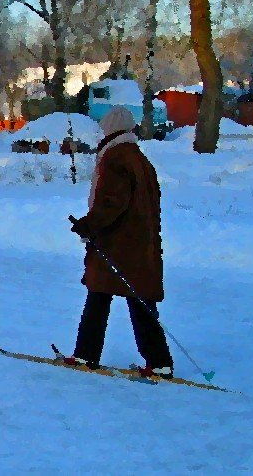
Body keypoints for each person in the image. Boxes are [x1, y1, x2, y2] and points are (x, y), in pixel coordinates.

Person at [67, 107, 174, 378]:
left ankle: (85, 355)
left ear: (110, 128)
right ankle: (159, 361)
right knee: (138, 301)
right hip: (138, 243)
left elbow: (112, 203)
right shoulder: (138, 158)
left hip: (118, 244)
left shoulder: (116, 158)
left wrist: (88, 225)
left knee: (99, 297)